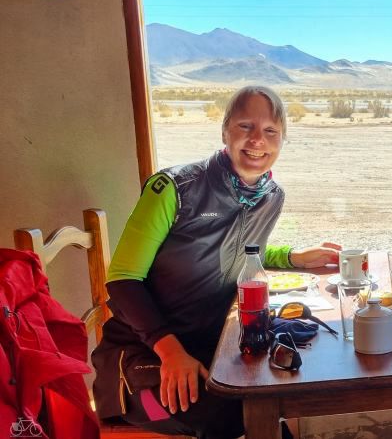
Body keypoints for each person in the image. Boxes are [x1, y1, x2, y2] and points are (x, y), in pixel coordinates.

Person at [91, 86, 340, 439]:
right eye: (245, 126)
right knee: (234, 419)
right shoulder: (173, 188)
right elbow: (123, 279)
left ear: (282, 140)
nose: (257, 140)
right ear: (225, 131)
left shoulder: (270, 196)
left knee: (282, 391)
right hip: (142, 357)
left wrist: (292, 256)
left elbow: (242, 249)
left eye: (270, 131)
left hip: (214, 345)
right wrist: (171, 352)